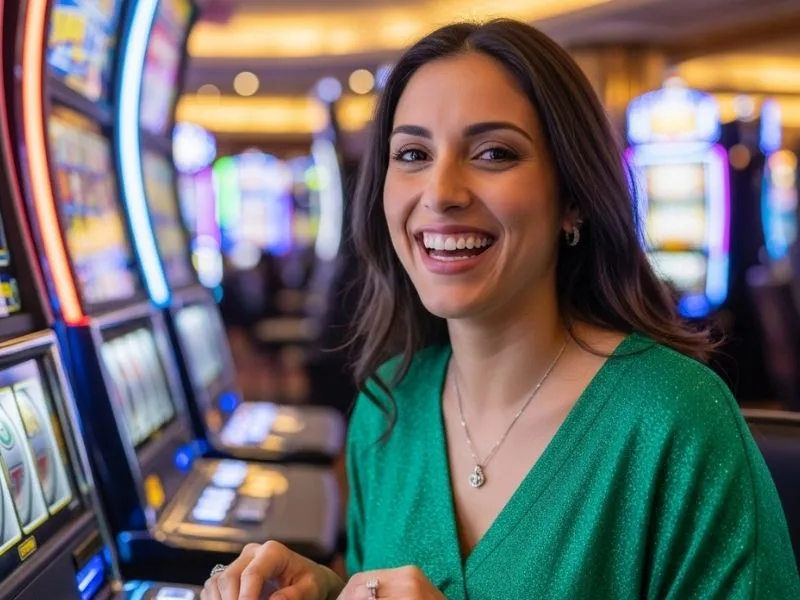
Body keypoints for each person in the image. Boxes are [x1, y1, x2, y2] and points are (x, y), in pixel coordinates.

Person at [201, 18, 800, 600]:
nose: (441, 193)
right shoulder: (388, 408)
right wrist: (325, 593)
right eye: (412, 154)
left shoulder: (676, 417)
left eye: (493, 153)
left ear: (573, 199)